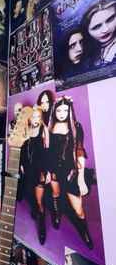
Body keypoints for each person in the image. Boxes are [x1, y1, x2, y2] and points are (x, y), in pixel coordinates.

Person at [48, 96, 93, 249]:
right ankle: (56, 213)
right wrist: (47, 170)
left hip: (71, 171)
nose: (61, 113)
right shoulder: (51, 127)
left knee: (78, 210)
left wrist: (80, 178)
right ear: (54, 111)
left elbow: (80, 152)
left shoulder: (76, 126)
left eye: (65, 110)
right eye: (59, 110)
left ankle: (84, 231)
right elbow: (48, 151)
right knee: (55, 193)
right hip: (54, 168)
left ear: (70, 111)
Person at [18, 106, 49, 244]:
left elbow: (49, 153)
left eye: (38, 116)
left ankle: (42, 227)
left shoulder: (44, 130)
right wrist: (22, 164)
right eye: (33, 116)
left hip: (40, 169)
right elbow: (23, 148)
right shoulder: (26, 128)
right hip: (28, 168)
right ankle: (35, 210)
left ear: (41, 117)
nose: (35, 119)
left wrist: (47, 172)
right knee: (29, 193)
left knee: (39, 200)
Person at [81, 0, 116, 67]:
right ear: (87, 31)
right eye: (96, 27)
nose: (105, 30)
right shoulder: (88, 55)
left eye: (110, 19)